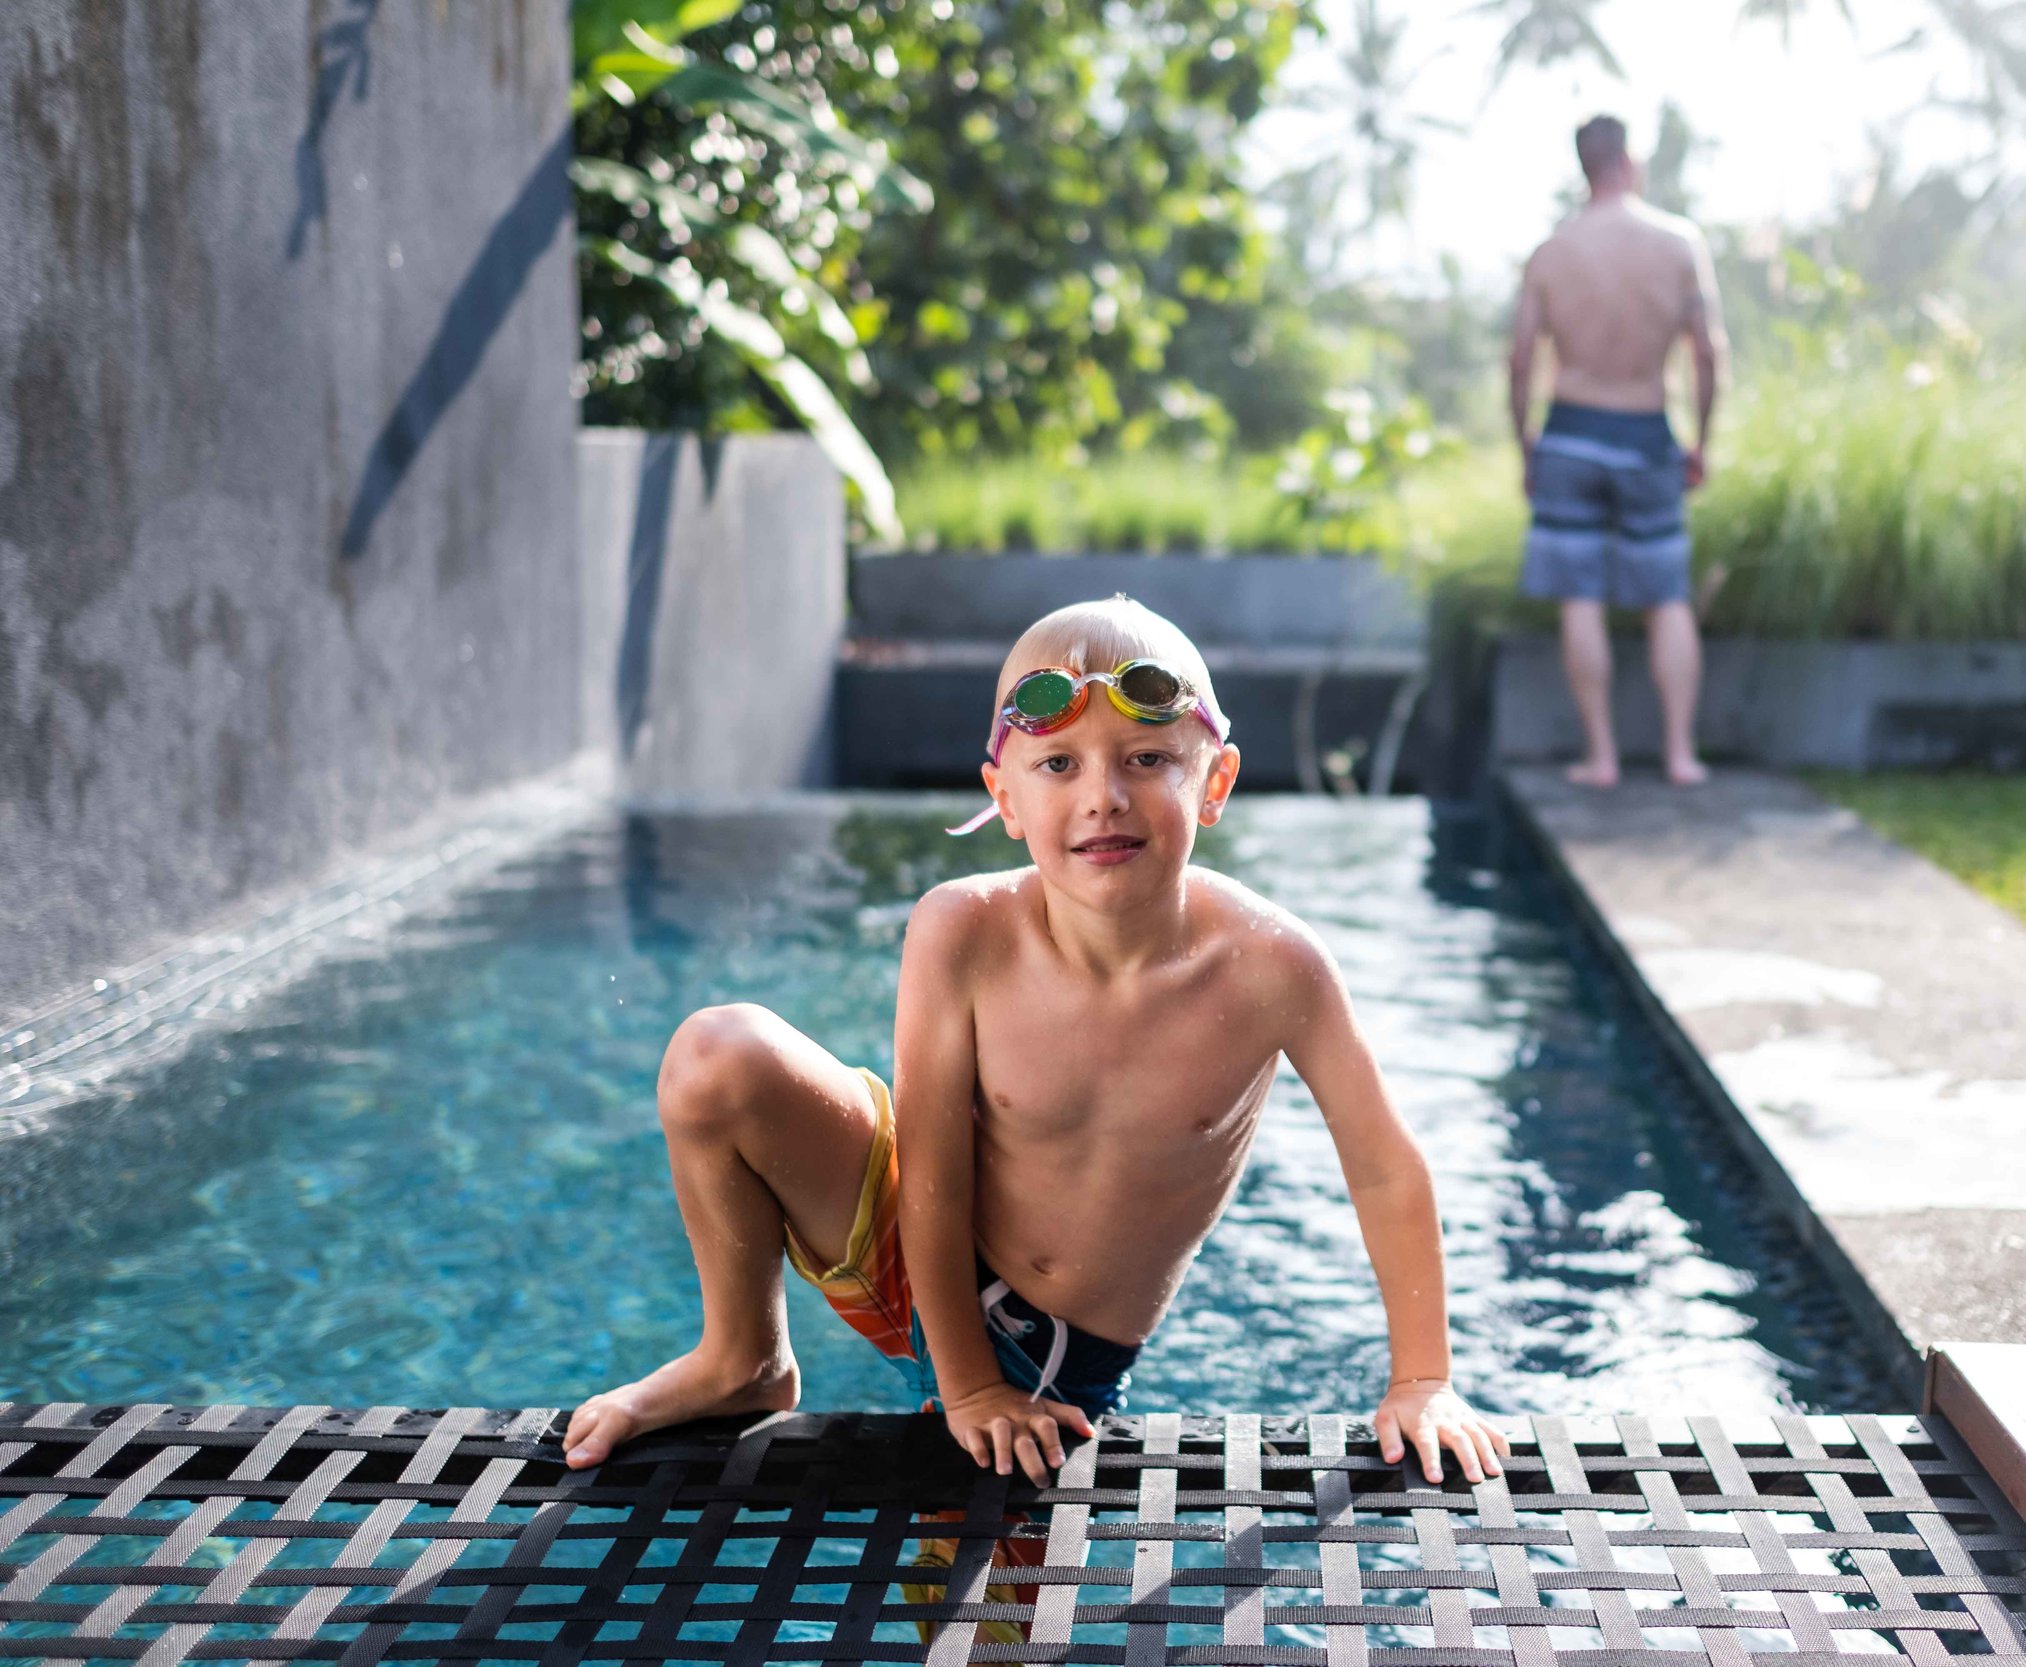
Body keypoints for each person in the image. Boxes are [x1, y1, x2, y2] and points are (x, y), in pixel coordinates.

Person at [562, 596, 1511, 1500]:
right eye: (1058, 764)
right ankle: (742, 1357)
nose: (1104, 797)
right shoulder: (962, 930)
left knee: (974, 1604)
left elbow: (1383, 1167)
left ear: (1214, 782)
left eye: (1147, 759)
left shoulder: (1273, 968)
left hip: (1055, 1363)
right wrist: (966, 1385)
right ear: (1005, 797)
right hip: (914, 1243)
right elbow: (930, 1174)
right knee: (717, 1055)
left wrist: (1423, 1378)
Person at [1509, 113, 1729, 788]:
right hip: (1647, 429)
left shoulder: (1553, 251)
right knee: (1667, 596)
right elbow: (1708, 352)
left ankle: (1601, 759)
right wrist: (1701, 440)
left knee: (1581, 596)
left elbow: (1520, 359)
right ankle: (1680, 756)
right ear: (1629, 162)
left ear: (1583, 167)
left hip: (1571, 431)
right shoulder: (1678, 242)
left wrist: (1525, 445)